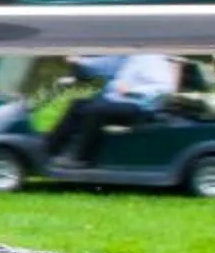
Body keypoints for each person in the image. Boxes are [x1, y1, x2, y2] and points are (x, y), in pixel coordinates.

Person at [43, 52, 183, 167]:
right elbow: (103, 65)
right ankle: (50, 147)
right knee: (78, 104)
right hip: (118, 100)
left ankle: (81, 158)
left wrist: (134, 90)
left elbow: (165, 87)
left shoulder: (152, 59)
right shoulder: (129, 57)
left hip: (140, 107)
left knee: (96, 110)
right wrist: (80, 61)